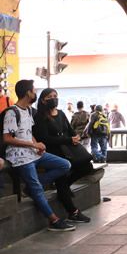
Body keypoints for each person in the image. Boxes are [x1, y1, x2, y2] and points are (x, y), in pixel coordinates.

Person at [2, 80, 76, 231]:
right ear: (27, 92)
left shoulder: (29, 110)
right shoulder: (12, 112)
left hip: (33, 153)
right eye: (33, 90)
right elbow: (7, 138)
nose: (35, 93)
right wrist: (33, 145)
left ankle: (32, 187)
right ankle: (54, 220)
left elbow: (29, 134)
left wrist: (37, 146)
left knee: (64, 165)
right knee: (36, 188)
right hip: (19, 156)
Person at [33, 88, 92, 224]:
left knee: (86, 167)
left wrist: (75, 137)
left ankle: (64, 187)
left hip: (68, 151)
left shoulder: (61, 113)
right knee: (61, 179)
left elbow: (70, 130)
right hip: (52, 153)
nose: (54, 98)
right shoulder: (39, 117)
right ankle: (73, 212)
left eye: (55, 96)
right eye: (50, 96)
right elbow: (44, 139)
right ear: (43, 100)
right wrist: (67, 140)